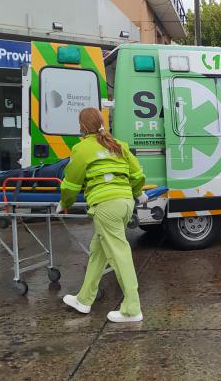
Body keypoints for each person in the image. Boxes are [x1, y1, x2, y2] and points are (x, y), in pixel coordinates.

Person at [59, 107, 149, 322]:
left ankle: (132, 309)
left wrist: (65, 202)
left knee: (119, 255)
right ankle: (84, 299)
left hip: (106, 205)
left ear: (82, 127)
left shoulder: (82, 149)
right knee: (98, 252)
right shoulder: (119, 145)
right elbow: (137, 174)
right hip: (125, 203)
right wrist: (138, 192)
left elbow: (71, 183)